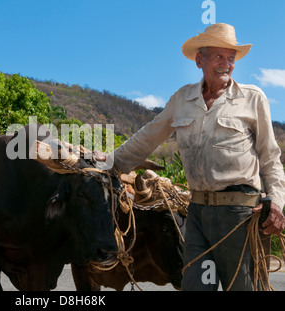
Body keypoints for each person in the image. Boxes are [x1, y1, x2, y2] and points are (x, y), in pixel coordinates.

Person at [106, 23, 285, 291]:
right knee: (196, 286)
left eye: (231, 58)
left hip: (240, 215)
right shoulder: (182, 98)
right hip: (197, 214)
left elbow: (270, 157)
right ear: (199, 60)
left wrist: (278, 204)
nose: (226, 64)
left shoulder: (252, 98)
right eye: (218, 57)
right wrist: (108, 163)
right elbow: (148, 137)